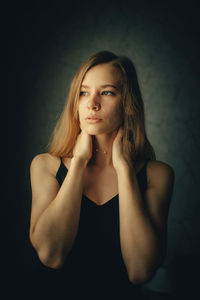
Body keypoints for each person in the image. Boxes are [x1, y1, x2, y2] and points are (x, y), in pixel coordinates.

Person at [29, 50, 175, 298]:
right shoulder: (45, 166)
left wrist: (125, 169)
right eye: (84, 92)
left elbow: (140, 271)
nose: (92, 103)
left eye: (106, 92)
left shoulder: (157, 175)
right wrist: (78, 164)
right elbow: (51, 256)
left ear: (128, 105)